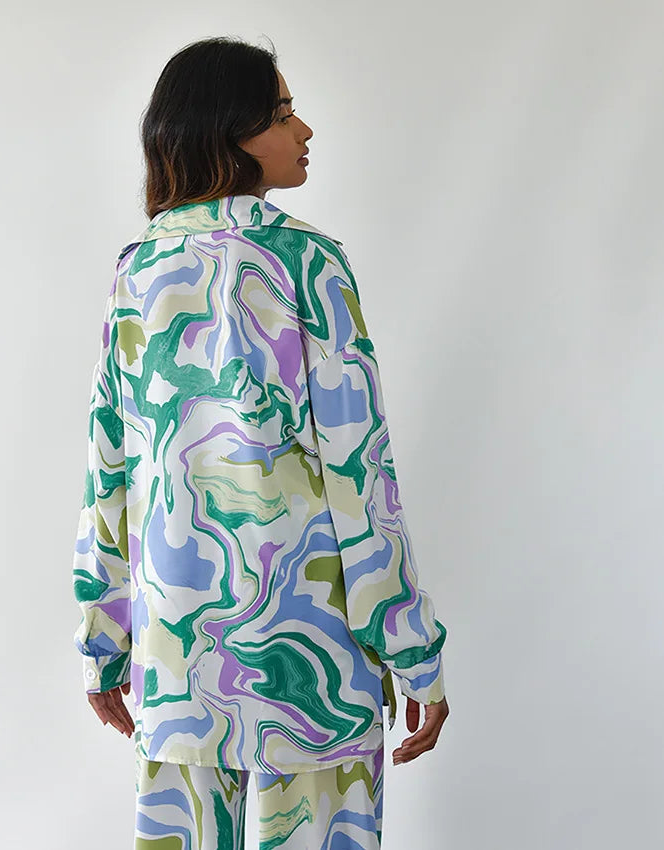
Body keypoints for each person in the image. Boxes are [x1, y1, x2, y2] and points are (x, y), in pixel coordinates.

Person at [71, 35, 450, 850]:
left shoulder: (138, 269)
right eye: (281, 114)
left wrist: (104, 639)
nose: (304, 130)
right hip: (313, 669)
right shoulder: (307, 263)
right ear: (227, 131)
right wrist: (412, 649)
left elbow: (111, 471)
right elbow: (360, 474)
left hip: (179, 664)